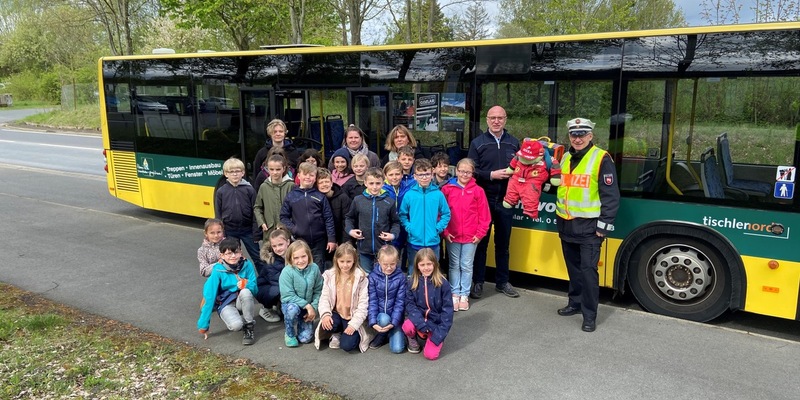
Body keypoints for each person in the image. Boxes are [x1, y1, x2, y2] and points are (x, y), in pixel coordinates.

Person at [555, 117, 619, 333]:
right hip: (566, 224)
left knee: (588, 271)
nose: (578, 138)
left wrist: (603, 226)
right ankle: (575, 303)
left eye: (582, 134)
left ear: (590, 136)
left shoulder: (602, 158)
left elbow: (611, 197)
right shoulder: (564, 157)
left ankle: (589, 315)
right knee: (573, 269)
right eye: (574, 134)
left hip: (590, 228)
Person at [467, 105, 521, 299]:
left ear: (505, 120)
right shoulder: (478, 143)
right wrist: (490, 175)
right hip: (484, 200)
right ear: (487, 120)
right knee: (481, 244)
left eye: (500, 118)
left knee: (503, 244)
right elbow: (471, 170)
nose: (496, 121)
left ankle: (502, 282)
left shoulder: (514, 143)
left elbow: (523, 169)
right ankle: (478, 282)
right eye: (492, 118)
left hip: (507, 201)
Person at [440, 158, 490, 312]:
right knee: (454, 265)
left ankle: (464, 295)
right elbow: (440, 213)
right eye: (461, 171)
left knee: (467, 266)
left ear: (472, 173)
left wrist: (480, 234)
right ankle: (455, 293)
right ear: (456, 171)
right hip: (452, 236)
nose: (464, 174)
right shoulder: (447, 189)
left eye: (468, 172)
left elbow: (485, 215)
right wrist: (445, 232)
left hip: (471, 236)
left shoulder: (478, 191)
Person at [197, 237, 258, 346]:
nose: (233, 256)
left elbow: (256, 290)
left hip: (241, 299)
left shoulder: (247, 264)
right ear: (222, 256)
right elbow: (209, 296)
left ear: (241, 252)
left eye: (236, 252)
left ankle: (249, 327)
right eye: (229, 253)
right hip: (225, 303)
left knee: (246, 292)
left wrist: (247, 284)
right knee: (236, 326)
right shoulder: (218, 270)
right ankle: (240, 319)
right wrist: (203, 325)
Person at [314, 243, 372, 352]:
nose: (345, 265)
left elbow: (363, 305)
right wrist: (325, 314)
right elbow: (324, 298)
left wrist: (353, 325)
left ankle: (357, 334)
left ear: (354, 260)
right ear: (336, 260)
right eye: (342, 261)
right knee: (329, 323)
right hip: (336, 313)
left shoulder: (361, 278)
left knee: (347, 346)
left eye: (348, 261)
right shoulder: (330, 275)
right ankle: (336, 332)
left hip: (352, 316)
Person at [279, 162, 337, 269]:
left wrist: (331, 239)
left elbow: (328, 218)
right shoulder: (291, 196)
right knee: (301, 267)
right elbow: (283, 216)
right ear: (299, 176)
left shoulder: (320, 196)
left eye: (311, 175)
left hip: (319, 241)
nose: (308, 177)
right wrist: (294, 228)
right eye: (305, 174)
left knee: (318, 268)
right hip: (299, 240)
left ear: (315, 178)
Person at [398, 159, 451, 274]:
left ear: (432, 175)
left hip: (433, 241)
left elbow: (446, 214)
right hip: (414, 241)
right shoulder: (409, 194)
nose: (424, 177)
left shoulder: (438, 194)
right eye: (420, 175)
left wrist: (438, 228)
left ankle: (432, 292)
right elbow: (402, 214)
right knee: (413, 270)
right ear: (415, 176)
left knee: (433, 271)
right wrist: (409, 227)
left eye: (427, 174)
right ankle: (414, 292)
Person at [345, 167, 401, 273]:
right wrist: (351, 231)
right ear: (365, 183)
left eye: (378, 183)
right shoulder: (358, 200)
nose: (374, 187)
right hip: (364, 247)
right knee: (366, 276)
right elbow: (349, 218)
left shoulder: (389, 201)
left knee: (384, 275)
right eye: (371, 183)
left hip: (384, 248)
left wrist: (392, 235)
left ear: (383, 183)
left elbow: (396, 222)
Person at [214, 157, 264, 273]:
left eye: (237, 171)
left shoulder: (249, 190)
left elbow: (255, 211)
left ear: (243, 172)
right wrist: (223, 234)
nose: (235, 174)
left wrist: (256, 232)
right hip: (230, 230)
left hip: (248, 230)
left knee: (257, 257)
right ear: (226, 174)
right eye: (231, 172)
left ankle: (263, 280)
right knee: (233, 258)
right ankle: (237, 280)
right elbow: (218, 214)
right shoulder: (221, 192)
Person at [402, 248, 454, 360]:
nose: (426, 268)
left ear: (435, 264)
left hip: (435, 323)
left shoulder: (443, 283)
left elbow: (448, 313)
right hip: (419, 320)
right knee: (407, 326)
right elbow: (410, 305)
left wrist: (439, 335)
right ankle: (413, 337)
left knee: (430, 355)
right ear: (417, 266)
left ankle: (430, 337)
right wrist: (420, 324)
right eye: (422, 264)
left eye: (429, 264)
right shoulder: (412, 282)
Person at [279, 240, 323, 347]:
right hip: (291, 305)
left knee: (305, 339)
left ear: (309, 255)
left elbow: (319, 290)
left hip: (308, 308)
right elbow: (288, 295)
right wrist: (307, 305)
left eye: (303, 256)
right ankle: (289, 333)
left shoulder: (314, 268)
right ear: (290, 258)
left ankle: (302, 324)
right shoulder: (287, 272)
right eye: (296, 258)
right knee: (292, 310)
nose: (301, 260)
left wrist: (314, 307)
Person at [367, 245, 407, 353]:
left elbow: (400, 302)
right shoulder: (372, 277)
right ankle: (382, 334)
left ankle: (391, 332)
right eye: (385, 264)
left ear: (397, 261)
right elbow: (372, 301)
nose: (389, 267)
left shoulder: (401, 278)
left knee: (397, 349)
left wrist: (394, 322)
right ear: (379, 261)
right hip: (381, 317)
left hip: (395, 319)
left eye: (392, 264)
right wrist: (373, 322)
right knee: (384, 319)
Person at [254, 154, 294, 240]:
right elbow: (257, 207)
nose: (275, 172)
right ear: (267, 169)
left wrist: (291, 224)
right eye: (271, 169)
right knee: (269, 251)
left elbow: (296, 208)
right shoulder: (264, 187)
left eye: (278, 169)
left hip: (287, 229)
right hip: (269, 228)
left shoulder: (290, 185)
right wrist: (261, 222)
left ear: (284, 169)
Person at [256, 228, 291, 323]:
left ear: (288, 242)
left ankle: (280, 305)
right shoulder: (271, 261)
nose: (278, 248)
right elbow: (279, 281)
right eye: (274, 246)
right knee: (278, 289)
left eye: (280, 244)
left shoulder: (295, 254)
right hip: (267, 288)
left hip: (286, 286)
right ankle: (266, 308)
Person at [317, 167, 352, 260]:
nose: (324, 185)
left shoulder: (343, 197)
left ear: (331, 182)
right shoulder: (315, 199)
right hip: (321, 241)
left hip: (340, 239)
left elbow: (346, 220)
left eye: (326, 182)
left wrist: (344, 243)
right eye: (320, 182)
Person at [252, 119, 300, 183]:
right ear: (270, 133)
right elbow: (256, 174)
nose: (278, 134)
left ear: (284, 133)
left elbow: (298, 173)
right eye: (275, 132)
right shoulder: (262, 153)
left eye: (280, 131)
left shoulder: (293, 152)